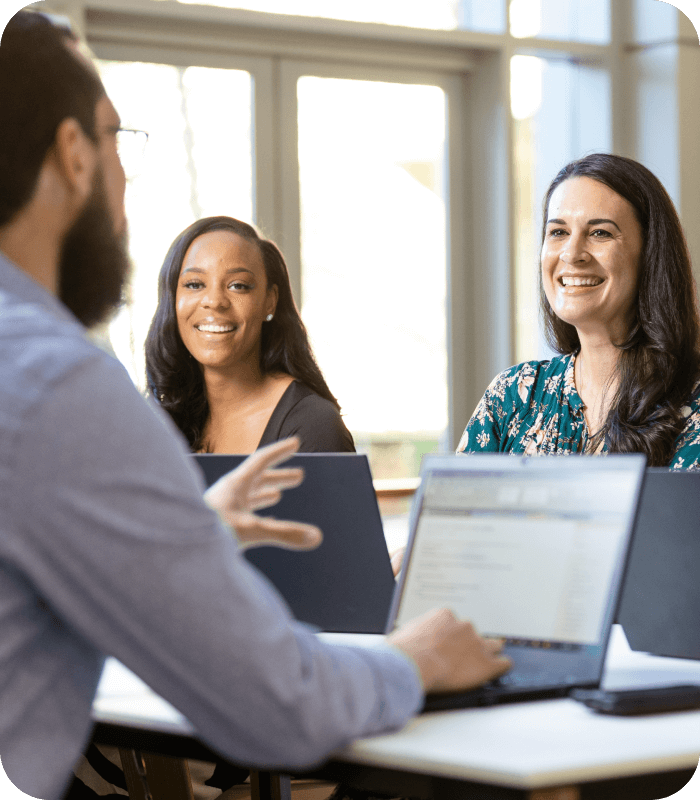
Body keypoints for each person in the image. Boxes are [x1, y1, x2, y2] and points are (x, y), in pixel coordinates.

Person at [0, 11, 511, 800]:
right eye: (118, 139)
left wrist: (189, 531)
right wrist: (421, 658)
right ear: (74, 155)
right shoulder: (59, 384)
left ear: (269, 299)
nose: (125, 177)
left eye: (236, 284)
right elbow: (278, 701)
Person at [458, 153, 700, 468]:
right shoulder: (513, 396)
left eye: (600, 232)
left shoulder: (692, 403)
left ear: (650, 253)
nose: (572, 254)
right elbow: (453, 515)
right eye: (558, 232)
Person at [145, 216, 354, 453]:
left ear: (270, 301)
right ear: (172, 300)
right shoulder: (165, 419)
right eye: (194, 284)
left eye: (238, 285)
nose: (214, 301)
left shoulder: (313, 425)